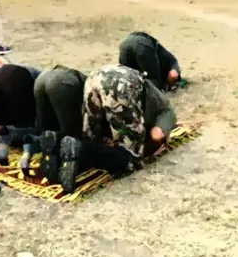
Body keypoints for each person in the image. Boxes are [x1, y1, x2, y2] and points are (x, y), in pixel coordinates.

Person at [57, 64, 177, 194]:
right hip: (122, 86)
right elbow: (156, 136)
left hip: (95, 77)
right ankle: (81, 150)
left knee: (91, 138)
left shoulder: (154, 96)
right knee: (131, 160)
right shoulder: (167, 112)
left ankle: (57, 144)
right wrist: (142, 152)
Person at [12, 65, 88, 179]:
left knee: (47, 130)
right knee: (72, 137)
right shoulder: (88, 84)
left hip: (42, 79)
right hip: (61, 83)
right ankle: (66, 162)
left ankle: (50, 154)